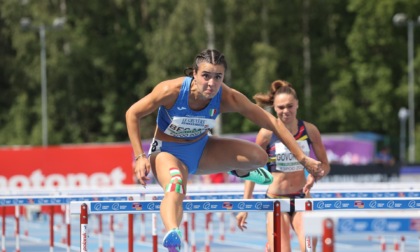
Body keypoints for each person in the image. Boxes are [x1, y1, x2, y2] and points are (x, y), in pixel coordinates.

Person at [125, 49, 324, 252]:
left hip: (201, 150)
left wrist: (303, 159)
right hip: (168, 153)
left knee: (259, 156)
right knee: (176, 186)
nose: (211, 83)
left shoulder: (226, 96)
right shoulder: (171, 91)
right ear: (194, 73)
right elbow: (132, 113)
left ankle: (237, 169)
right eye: (206, 76)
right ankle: (173, 234)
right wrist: (140, 156)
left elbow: (273, 122)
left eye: (218, 77)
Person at [236, 80, 330, 252]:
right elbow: (251, 170)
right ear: (274, 107)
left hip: (303, 199)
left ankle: (272, 244)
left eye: (290, 106)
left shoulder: (310, 130)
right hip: (275, 201)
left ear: (297, 105)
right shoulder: (266, 133)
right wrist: (245, 206)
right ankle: (272, 245)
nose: (286, 111)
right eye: (280, 108)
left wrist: (316, 174)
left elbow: (325, 165)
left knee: (311, 249)